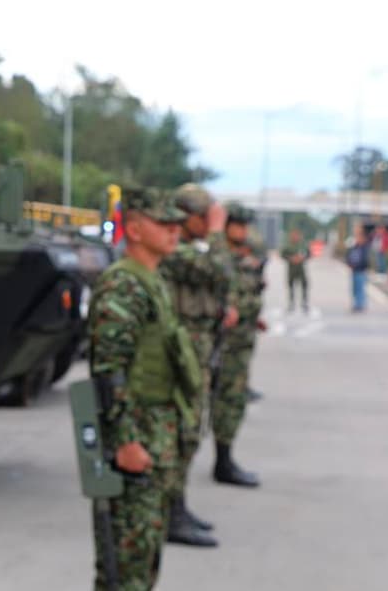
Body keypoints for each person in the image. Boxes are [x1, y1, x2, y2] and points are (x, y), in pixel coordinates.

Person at [89, 187, 201, 590]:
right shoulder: (124, 285)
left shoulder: (152, 280)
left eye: (177, 224)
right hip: (135, 437)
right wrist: (125, 441)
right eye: (163, 223)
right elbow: (109, 371)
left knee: (144, 557)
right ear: (134, 229)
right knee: (124, 567)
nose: (174, 231)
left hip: (157, 433)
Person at [155, 184, 236, 547]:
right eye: (205, 218)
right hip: (179, 361)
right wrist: (218, 231)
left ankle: (177, 507)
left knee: (190, 435)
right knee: (180, 436)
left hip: (196, 357)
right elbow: (221, 270)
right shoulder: (175, 251)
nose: (210, 224)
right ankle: (170, 513)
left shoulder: (192, 250)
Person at [211, 204, 265, 488]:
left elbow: (246, 294)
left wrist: (254, 316)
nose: (243, 231)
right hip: (224, 345)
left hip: (242, 341)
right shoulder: (218, 259)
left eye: (245, 225)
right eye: (238, 225)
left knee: (233, 402)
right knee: (225, 402)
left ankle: (225, 458)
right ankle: (222, 462)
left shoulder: (243, 257)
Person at [281, 228, 309, 313]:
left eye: (297, 235)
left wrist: (302, 258)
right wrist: (291, 258)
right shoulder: (288, 245)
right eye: (294, 235)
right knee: (291, 286)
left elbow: (309, 254)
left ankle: (304, 302)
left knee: (304, 284)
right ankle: (291, 303)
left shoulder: (302, 245)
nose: (295, 237)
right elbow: (283, 254)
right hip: (291, 268)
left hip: (301, 268)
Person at [346, 226, 370, 312]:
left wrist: (360, 266)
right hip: (354, 270)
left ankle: (360, 304)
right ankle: (356, 304)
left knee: (360, 288)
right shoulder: (355, 247)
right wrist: (349, 263)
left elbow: (365, 260)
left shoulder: (364, 248)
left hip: (361, 270)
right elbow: (349, 255)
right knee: (355, 289)